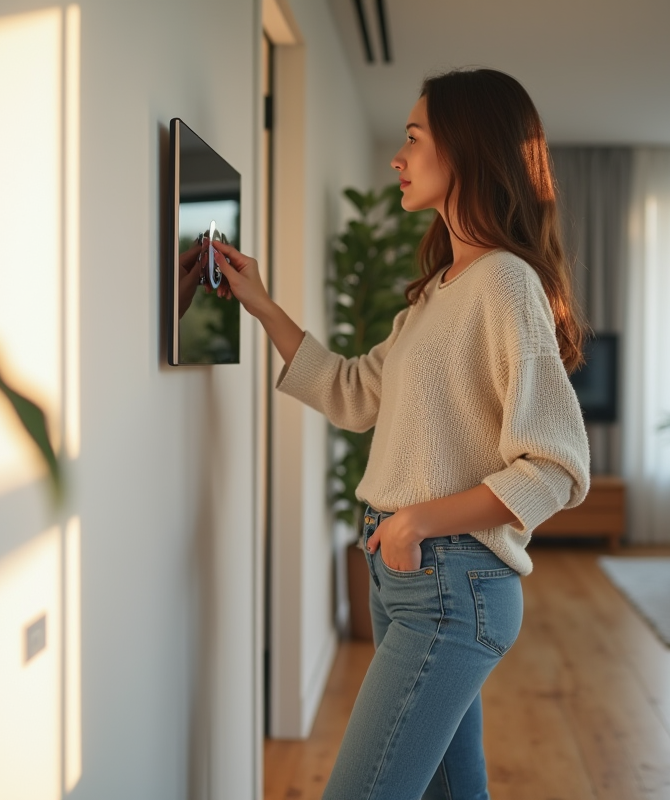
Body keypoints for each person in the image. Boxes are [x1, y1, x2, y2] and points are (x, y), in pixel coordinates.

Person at [211, 68, 590, 800]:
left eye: (413, 139)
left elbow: (555, 465)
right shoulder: (437, 293)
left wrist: (418, 520)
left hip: (452, 580)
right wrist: (260, 306)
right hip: (410, 574)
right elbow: (353, 392)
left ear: (466, 149)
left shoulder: (506, 283)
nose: (398, 156)